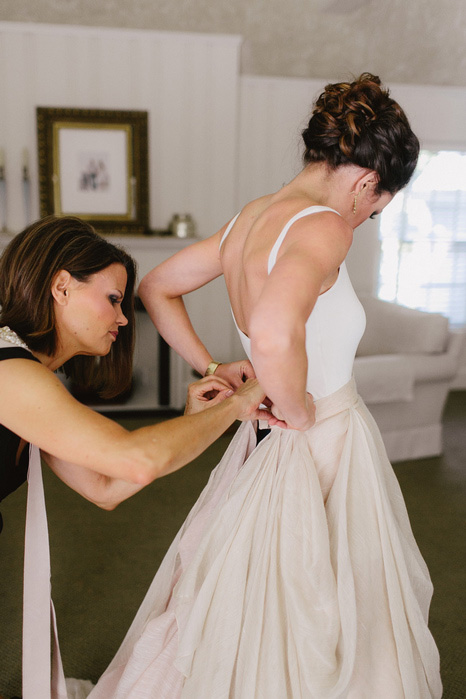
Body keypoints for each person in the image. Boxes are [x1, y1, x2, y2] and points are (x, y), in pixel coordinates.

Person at [86, 74, 442, 698]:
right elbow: (276, 334)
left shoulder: (249, 219)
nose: (364, 221)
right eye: (375, 209)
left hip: (269, 439)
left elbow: (156, 288)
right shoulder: (325, 226)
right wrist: (300, 410)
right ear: (365, 182)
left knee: (269, 592)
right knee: (333, 600)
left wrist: (213, 368)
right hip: (320, 434)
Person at [0, 215, 269, 698]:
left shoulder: (26, 374)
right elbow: (133, 460)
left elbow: (105, 489)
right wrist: (236, 406)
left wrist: (193, 419)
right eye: (114, 299)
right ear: (61, 287)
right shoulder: (9, 373)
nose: (124, 319)